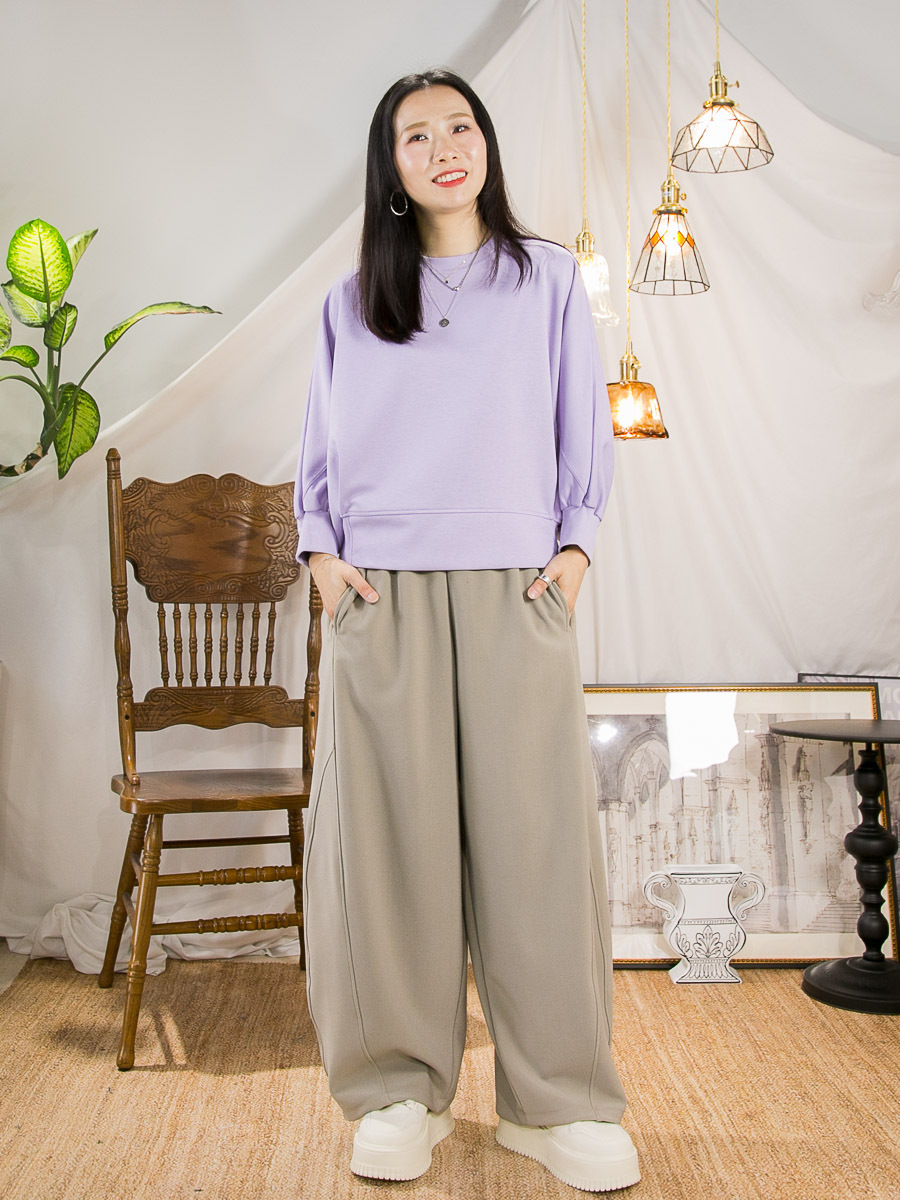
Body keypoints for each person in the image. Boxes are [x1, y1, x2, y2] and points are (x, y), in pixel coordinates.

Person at [293, 68, 640, 1194]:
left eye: (461, 126)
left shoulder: (547, 281)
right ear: (389, 169)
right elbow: (317, 456)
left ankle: (559, 1101)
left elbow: (582, 430)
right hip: (379, 594)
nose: (445, 147)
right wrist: (321, 559)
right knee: (387, 853)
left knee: (537, 849)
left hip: (517, 589)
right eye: (417, 136)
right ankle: (400, 1092)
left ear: (486, 143)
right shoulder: (351, 303)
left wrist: (576, 549)